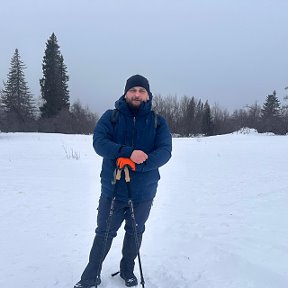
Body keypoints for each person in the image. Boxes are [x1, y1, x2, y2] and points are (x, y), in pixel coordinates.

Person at [74, 74, 172, 288]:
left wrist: (138, 164)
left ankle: (127, 270)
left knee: (135, 232)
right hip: (113, 189)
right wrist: (125, 153)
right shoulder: (111, 117)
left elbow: (165, 152)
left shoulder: (158, 122)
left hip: (144, 192)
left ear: (148, 95)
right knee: (104, 232)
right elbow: (99, 143)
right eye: (133, 90)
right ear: (126, 93)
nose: (137, 94)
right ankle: (90, 277)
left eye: (141, 91)